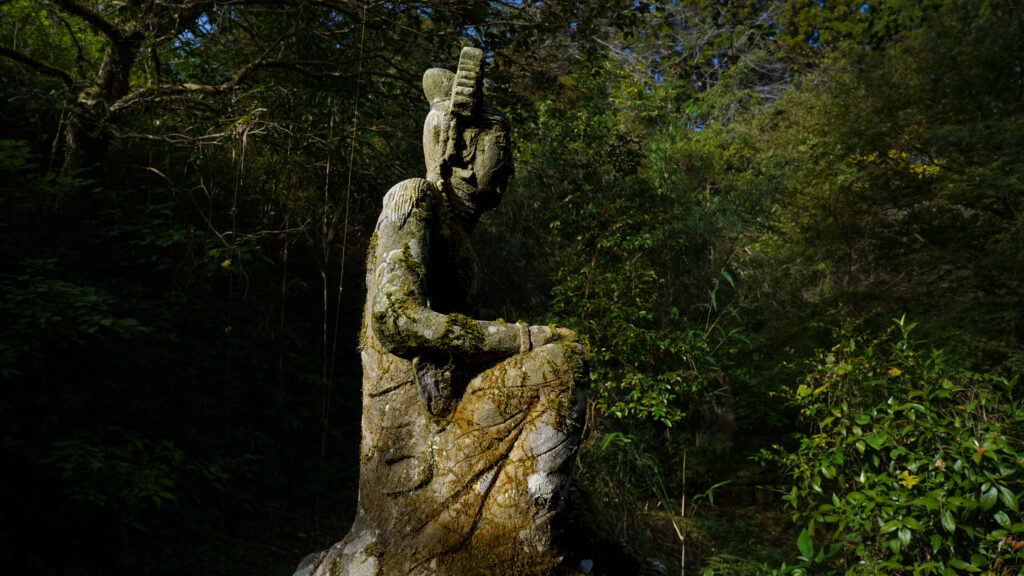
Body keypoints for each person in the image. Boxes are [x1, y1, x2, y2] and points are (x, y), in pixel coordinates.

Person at [311, 49, 587, 576]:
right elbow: (396, 319)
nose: (508, 167)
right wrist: (519, 339)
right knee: (558, 363)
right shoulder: (413, 199)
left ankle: (523, 529)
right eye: (501, 150)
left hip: (446, 410)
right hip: (412, 437)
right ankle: (529, 545)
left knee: (562, 352)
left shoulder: (459, 236)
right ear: (459, 148)